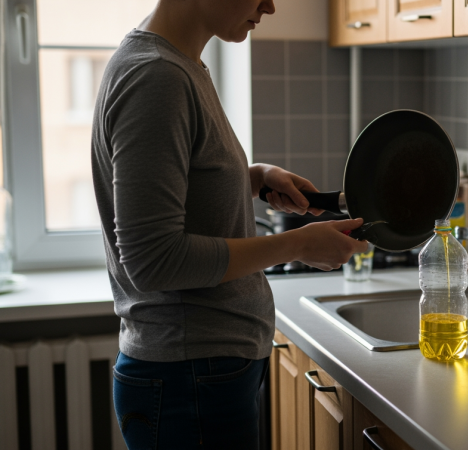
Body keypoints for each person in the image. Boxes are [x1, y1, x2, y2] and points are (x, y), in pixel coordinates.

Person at [90, 0, 368, 448]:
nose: (270, 6)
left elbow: (186, 184)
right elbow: (154, 261)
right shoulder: (157, 76)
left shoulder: (181, 64)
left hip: (200, 374)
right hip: (189, 377)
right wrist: (296, 245)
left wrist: (254, 179)